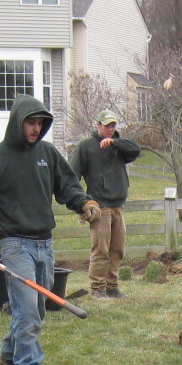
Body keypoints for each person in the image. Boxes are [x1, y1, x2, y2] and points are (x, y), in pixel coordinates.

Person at [0, 96, 99, 365]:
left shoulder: (47, 154)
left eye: (40, 123)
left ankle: (8, 352)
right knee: (27, 311)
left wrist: (84, 203)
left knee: (36, 310)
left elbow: (67, 186)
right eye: (31, 122)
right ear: (18, 122)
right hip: (15, 245)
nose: (36, 128)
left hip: (45, 243)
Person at [69, 109, 141, 299]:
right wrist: (82, 203)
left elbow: (136, 149)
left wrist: (115, 142)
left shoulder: (119, 146)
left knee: (117, 250)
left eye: (113, 126)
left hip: (118, 205)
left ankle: (112, 287)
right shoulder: (86, 147)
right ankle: (98, 288)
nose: (110, 129)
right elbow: (71, 177)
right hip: (100, 206)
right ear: (98, 125)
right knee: (101, 249)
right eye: (107, 125)